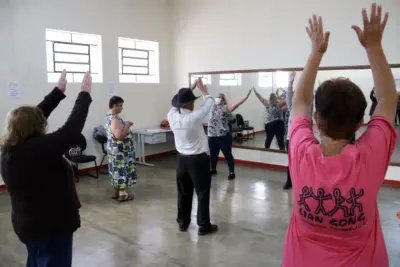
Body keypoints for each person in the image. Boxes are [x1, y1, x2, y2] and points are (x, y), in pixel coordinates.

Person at [282, 5, 396, 267]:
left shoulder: (300, 153)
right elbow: (388, 100)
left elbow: (299, 102)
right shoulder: (370, 159)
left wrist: (316, 53)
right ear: (360, 123)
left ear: (316, 121)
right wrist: (374, 47)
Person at [0, 71, 93, 267]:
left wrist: (58, 92)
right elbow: (70, 130)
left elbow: (31, 117)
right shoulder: (37, 149)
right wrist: (84, 95)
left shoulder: (11, 147)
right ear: (36, 126)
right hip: (50, 227)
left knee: (36, 260)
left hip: (29, 225)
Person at [167, 78, 218, 236]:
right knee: (202, 192)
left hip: (181, 161)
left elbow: (176, 106)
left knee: (183, 192)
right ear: (190, 104)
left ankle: (183, 222)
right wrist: (202, 89)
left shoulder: (172, 115)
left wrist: (190, 89)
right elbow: (210, 102)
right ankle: (203, 225)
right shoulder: (194, 117)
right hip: (198, 161)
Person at [208, 89, 251, 180]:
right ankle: (213, 169)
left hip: (223, 136)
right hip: (212, 135)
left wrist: (245, 97)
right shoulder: (212, 107)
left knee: (227, 155)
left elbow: (237, 104)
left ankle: (232, 172)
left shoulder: (225, 108)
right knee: (213, 154)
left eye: (219, 97)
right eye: (217, 96)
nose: (217, 98)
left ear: (223, 100)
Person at [105, 96, 137, 202]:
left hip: (113, 149)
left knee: (115, 170)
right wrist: (127, 125)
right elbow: (119, 135)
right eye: (121, 105)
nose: (122, 108)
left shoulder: (108, 117)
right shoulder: (114, 118)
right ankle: (122, 194)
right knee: (121, 169)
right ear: (114, 106)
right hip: (120, 151)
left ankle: (117, 191)